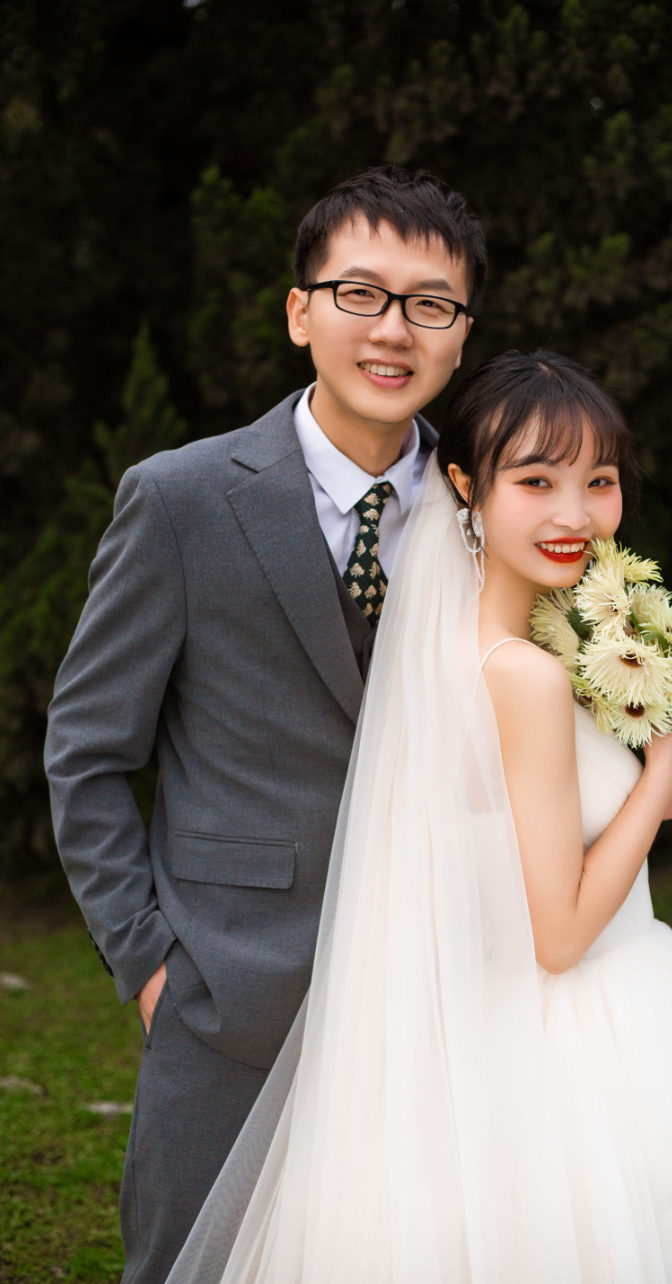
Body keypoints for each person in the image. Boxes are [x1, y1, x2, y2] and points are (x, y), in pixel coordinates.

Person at [163, 349, 672, 1284]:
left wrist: (662, 797)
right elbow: (560, 935)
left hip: (479, 1036)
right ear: (465, 486)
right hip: (579, 1034)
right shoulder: (526, 673)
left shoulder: (482, 647)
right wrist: (660, 766)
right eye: (536, 481)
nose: (575, 515)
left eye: (599, 481)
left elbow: (497, 836)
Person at [43, 165, 485, 1284]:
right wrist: (151, 965)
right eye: (359, 293)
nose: (393, 329)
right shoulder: (181, 499)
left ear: (461, 333)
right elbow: (88, 754)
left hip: (451, 994)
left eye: (430, 304)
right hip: (231, 996)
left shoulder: (494, 509)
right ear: (300, 312)